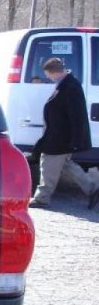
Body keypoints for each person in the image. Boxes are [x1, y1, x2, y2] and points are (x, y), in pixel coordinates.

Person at [29, 57, 99, 209]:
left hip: (60, 137)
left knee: (47, 164)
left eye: (48, 74)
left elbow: (77, 115)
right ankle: (92, 187)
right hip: (61, 135)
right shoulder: (67, 84)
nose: (47, 77)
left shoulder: (70, 87)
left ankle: (42, 197)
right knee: (66, 165)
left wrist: (76, 140)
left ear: (54, 72)